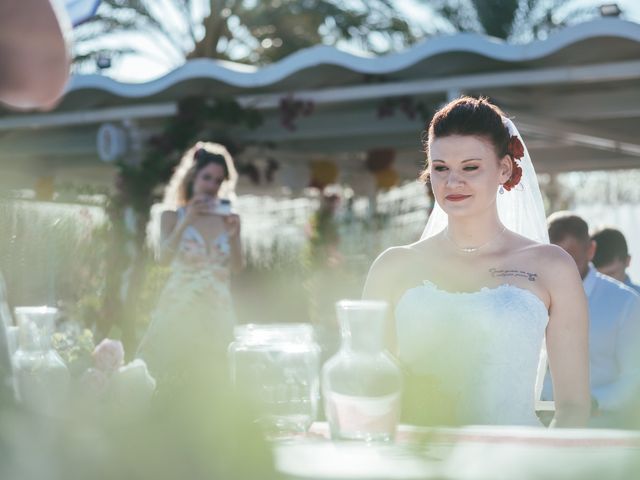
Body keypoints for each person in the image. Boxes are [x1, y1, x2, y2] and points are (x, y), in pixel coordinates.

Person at [363, 96, 590, 428]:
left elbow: (572, 408)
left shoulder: (552, 266)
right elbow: (369, 389)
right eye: (440, 168)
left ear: (504, 169)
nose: (453, 183)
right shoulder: (393, 266)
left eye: (470, 167)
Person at [137, 142, 243, 386]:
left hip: (217, 305)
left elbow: (237, 267)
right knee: (170, 372)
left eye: (219, 181)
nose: (212, 186)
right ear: (193, 176)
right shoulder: (171, 216)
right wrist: (187, 221)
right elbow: (163, 260)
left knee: (216, 376)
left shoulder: (229, 219)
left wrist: (235, 234)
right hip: (180, 303)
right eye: (207, 177)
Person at [546, 213, 640, 427]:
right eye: (552, 258)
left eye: (570, 258)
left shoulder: (625, 302)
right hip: (538, 426)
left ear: (590, 251)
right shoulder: (533, 297)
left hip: (601, 427)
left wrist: (594, 402)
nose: (559, 267)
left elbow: (635, 376)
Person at [592, 227, 640, 294]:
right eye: (599, 276)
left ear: (627, 261)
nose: (605, 282)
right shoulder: (583, 300)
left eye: (611, 274)